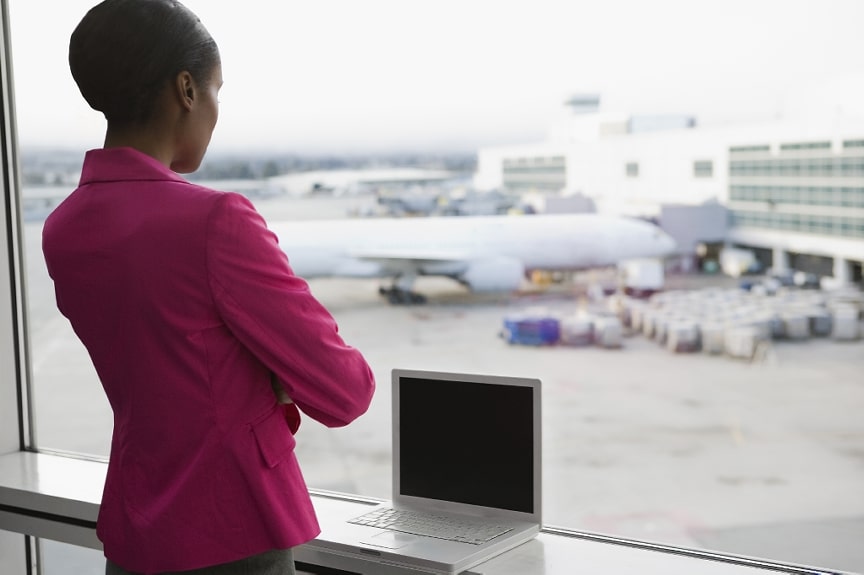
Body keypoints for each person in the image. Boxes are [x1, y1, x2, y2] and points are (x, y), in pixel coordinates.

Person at [42, 1, 376, 573]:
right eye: (217, 89)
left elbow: (164, 363)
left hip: (135, 526)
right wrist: (267, 377)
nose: (217, 110)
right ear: (187, 90)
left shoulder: (64, 227)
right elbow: (346, 391)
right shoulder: (214, 220)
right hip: (233, 531)